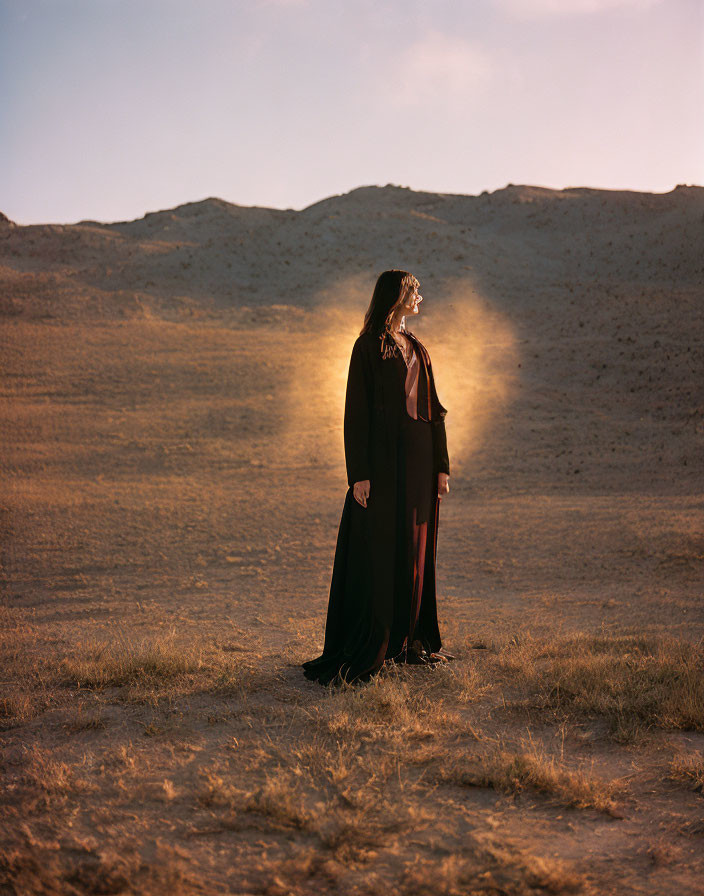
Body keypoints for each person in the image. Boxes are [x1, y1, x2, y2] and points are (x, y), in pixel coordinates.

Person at [302, 270, 454, 686]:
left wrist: (442, 465)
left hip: (421, 466)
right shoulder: (366, 346)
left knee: (416, 551)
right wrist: (360, 475)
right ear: (395, 295)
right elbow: (356, 413)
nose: (419, 294)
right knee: (380, 550)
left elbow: (435, 410)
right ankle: (377, 643)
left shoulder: (419, 348)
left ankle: (410, 643)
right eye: (412, 289)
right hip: (382, 467)